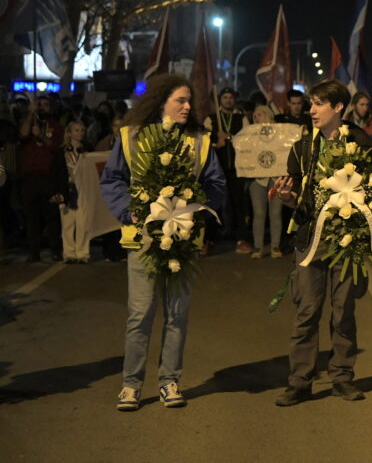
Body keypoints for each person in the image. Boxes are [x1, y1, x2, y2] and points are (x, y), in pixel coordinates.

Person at [100, 74, 225, 411]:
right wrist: (131, 212)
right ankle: (131, 385)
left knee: (177, 313)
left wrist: (195, 210)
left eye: (189, 101)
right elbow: (112, 180)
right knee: (140, 314)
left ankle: (170, 381)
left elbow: (216, 184)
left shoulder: (200, 140)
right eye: (180, 100)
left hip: (183, 240)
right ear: (160, 102)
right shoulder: (131, 137)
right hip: (142, 239)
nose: (187, 107)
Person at [272, 80, 372, 406]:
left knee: (343, 311)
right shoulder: (303, 147)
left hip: (346, 243)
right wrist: (287, 197)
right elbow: (296, 200)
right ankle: (300, 381)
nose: (311, 111)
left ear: (338, 107)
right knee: (307, 312)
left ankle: (342, 377)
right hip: (310, 240)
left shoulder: (362, 144)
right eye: (310, 104)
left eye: (318, 104)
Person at [18, 96, 64, 261]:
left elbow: (56, 147)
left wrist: (42, 137)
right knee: (32, 218)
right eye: (40, 105)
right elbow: (22, 135)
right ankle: (34, 252)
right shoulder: (29, 123)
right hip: (29, 178)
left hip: (48, 177)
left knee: (51, 216)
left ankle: (54, 250)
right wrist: (31, 113)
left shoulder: (56, 127)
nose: (42, 107)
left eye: (45, 105)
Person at [205, 87, 251, 254]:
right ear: (220, 100)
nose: (228, 100)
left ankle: (242, 239)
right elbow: (204, 144)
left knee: (238, 204)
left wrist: (231, 138)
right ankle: (209, 240)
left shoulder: (241, 118)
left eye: (231, 97)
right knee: (213, 203)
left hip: (236, 169)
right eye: (225, 97)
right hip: (216, 169)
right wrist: (217, 143)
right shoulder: (210, 119)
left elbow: (248, 141)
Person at [51, 121, 91, 263]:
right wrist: (56, 192)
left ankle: (82, 253)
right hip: (67, 190)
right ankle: (69, 253)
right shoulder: (60, 152)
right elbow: (55, 174)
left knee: (83, 223)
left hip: (84, 190)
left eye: (82, 130)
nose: (80, 133)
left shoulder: (87, 150)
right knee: (67, 224)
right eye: (76, 130)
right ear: (69, 133)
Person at [248, 105, 285, 259]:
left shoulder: (281, 134)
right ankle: (258, 247)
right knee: (259, 213)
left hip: (276, 179)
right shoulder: (249, 136)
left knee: (275, 213)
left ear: (269, 116)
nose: (257, 118)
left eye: (261, 114)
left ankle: (275, 247)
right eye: (255, 116)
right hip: (258, 180)